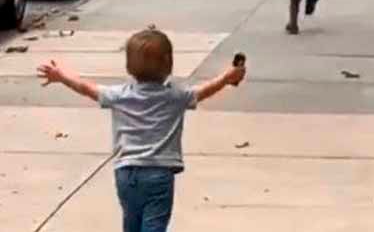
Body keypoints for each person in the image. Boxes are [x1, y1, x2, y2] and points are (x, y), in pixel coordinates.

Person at [35, 29, 247, 232]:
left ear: (129, 67)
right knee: (154, 225)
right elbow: (204, 90)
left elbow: (85, 87)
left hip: (125, 173)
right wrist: (228, 77)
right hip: (159, 174)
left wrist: (61, 76)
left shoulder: (118, 95)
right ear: (168, 64)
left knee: (131, 222)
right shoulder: (176, 97)